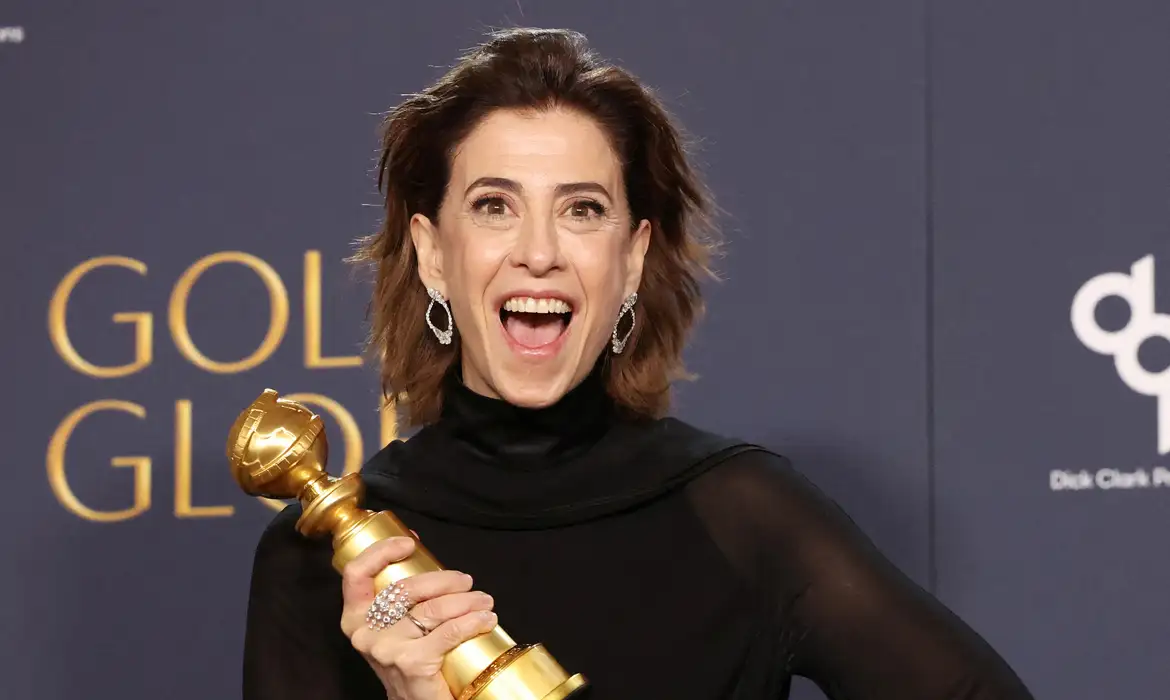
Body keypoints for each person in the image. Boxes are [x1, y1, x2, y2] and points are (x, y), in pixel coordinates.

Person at [241, 27, 1034, 700]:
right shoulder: (321, 567)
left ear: (630, 260)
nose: (539, 252)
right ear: (433, 254)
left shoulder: (745, 518)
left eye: (582, 209)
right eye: (494, 206)